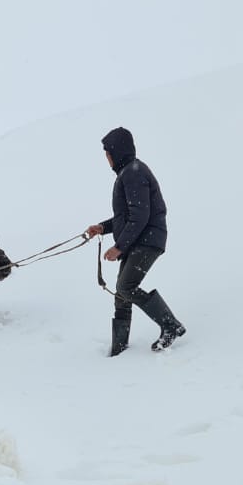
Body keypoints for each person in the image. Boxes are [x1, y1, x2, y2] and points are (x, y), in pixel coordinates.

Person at [85, 126, 186, 356]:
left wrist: (119, 247)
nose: (107, 158)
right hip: (139, 240)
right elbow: (126, 217)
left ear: (118, 151)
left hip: (147, 240)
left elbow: (140, 216)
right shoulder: (128, 173)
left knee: (125, 286)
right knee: (122, 294)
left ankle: (170, 324)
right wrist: (102, 227)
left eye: (108, 152)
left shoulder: (134, 172)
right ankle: (119, 349)